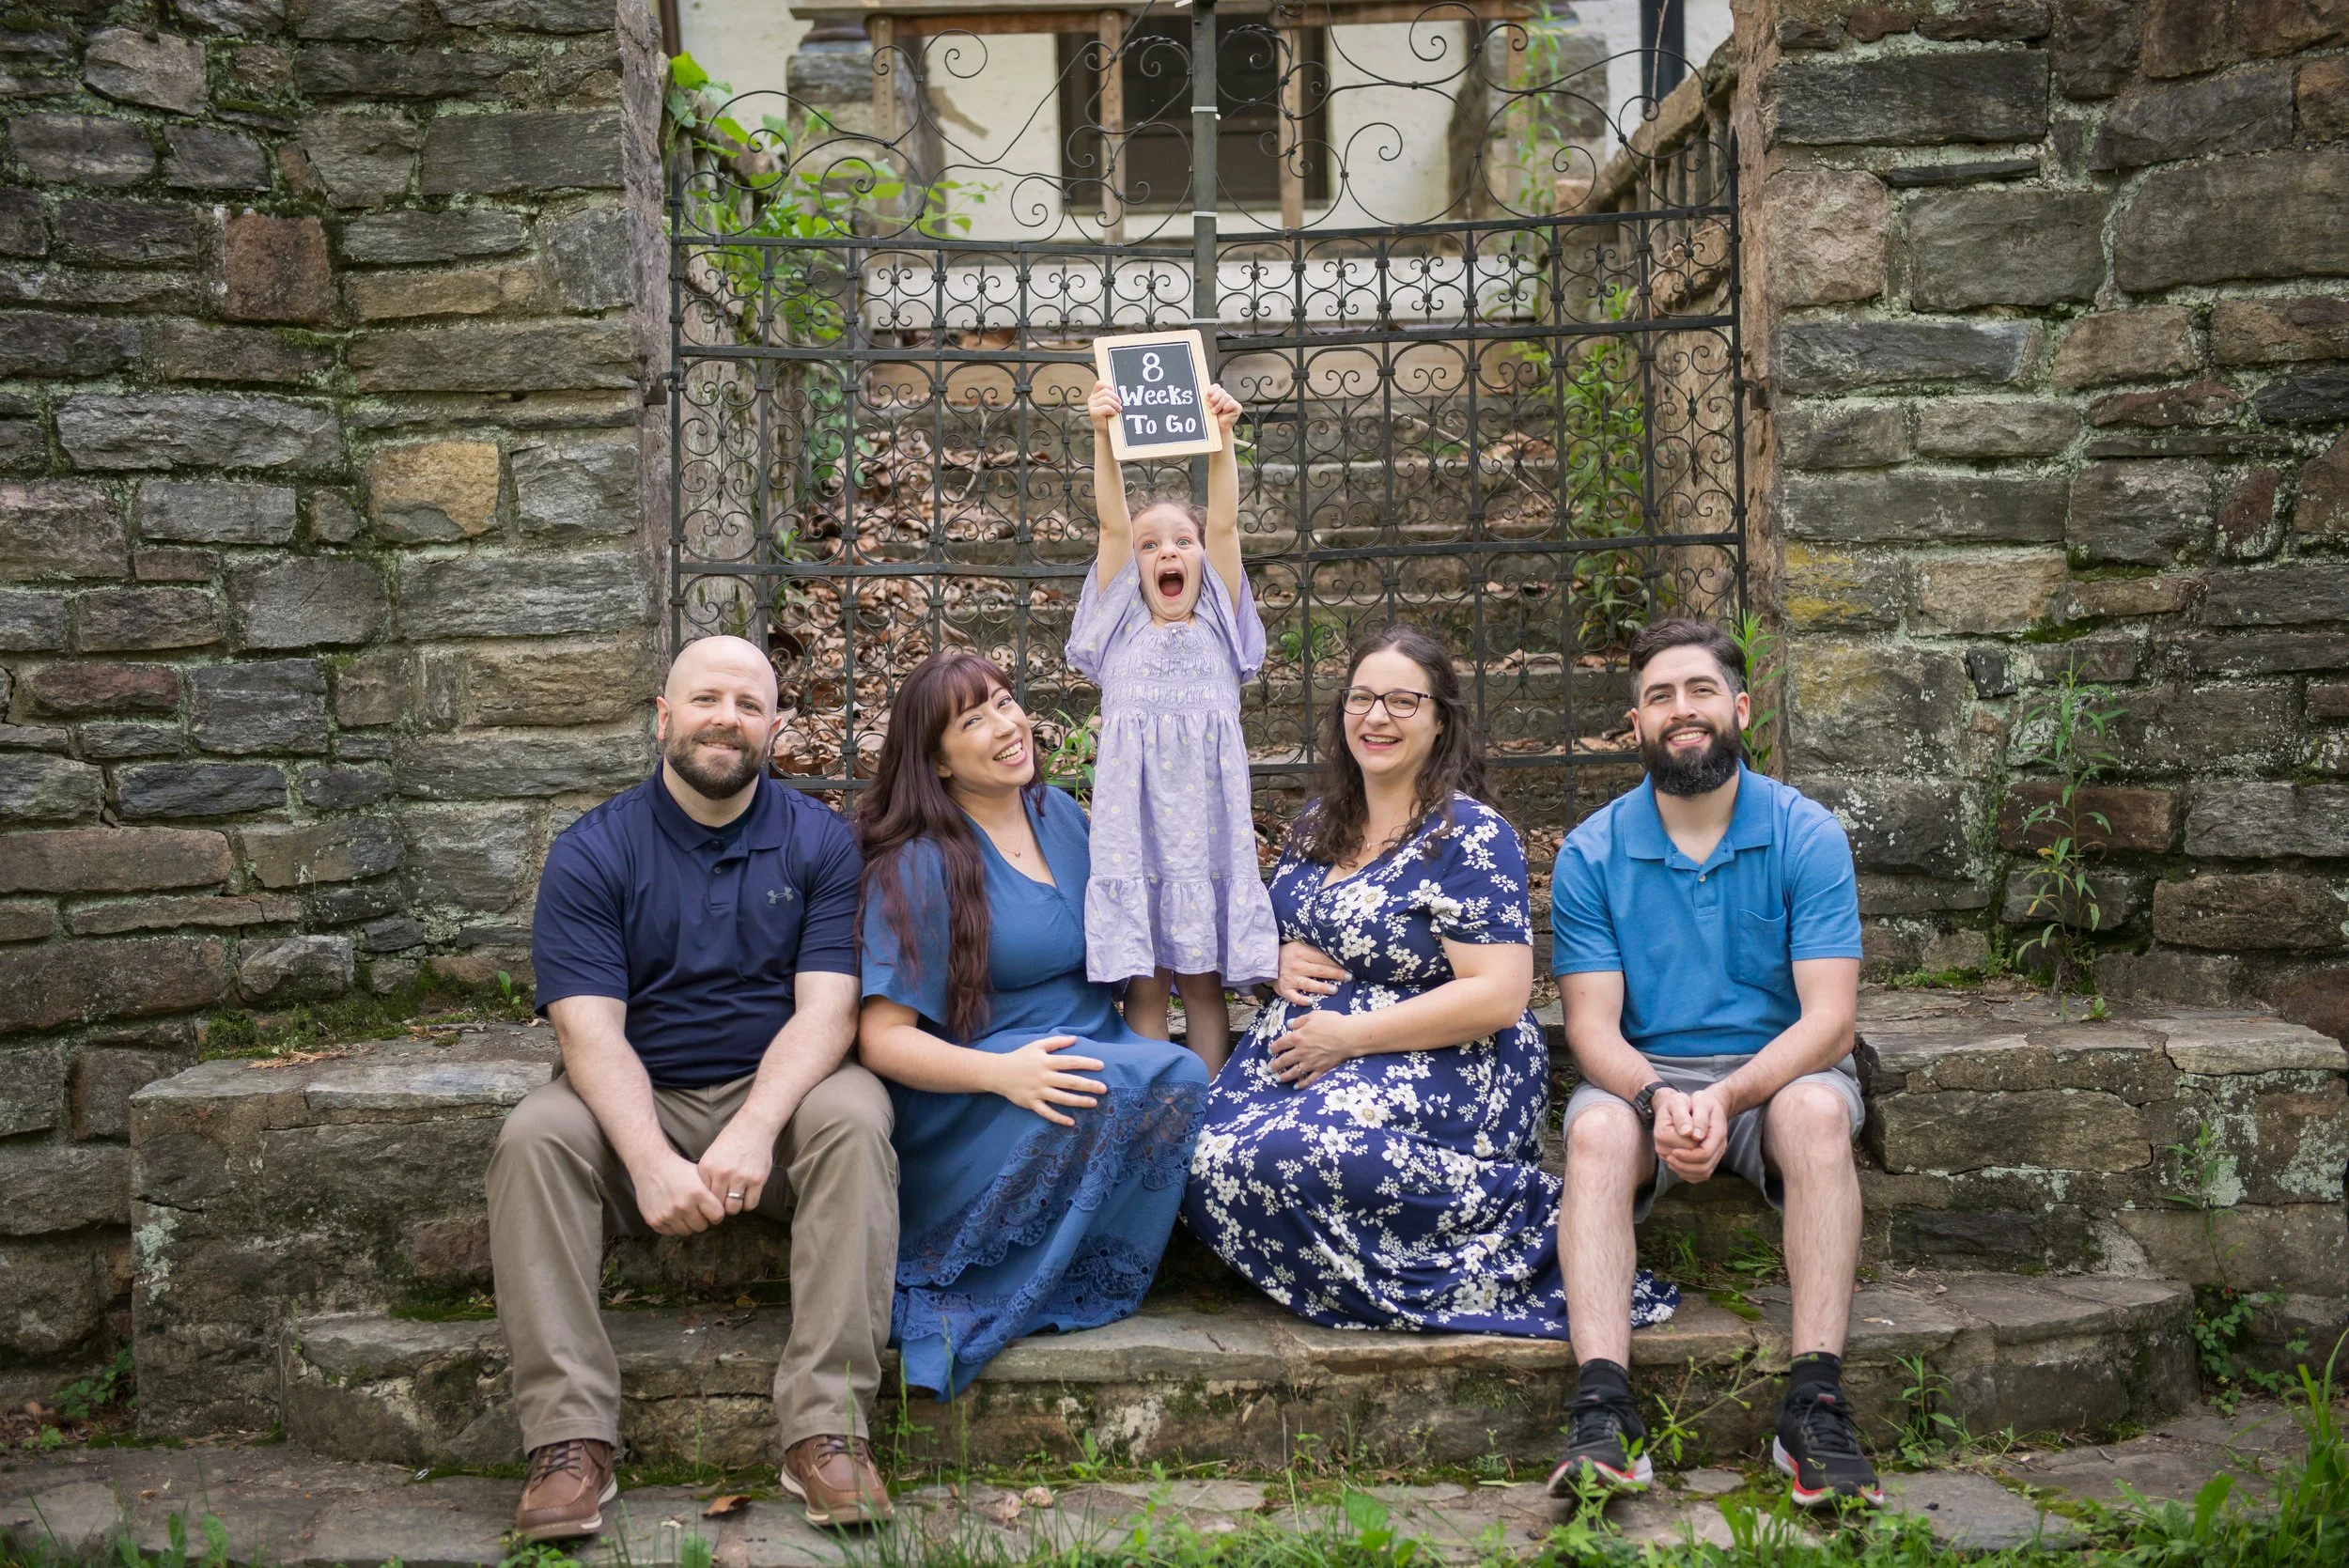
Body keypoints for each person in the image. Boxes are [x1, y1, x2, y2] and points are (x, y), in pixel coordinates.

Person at [490, 635, 897, 1540]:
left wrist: (754, 1128)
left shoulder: (820, 841)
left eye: (749, 704)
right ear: (664, 717)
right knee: (534, 1135)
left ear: (776, 727)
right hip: (638, 1094)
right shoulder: (594, 851)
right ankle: (568, 1443)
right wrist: (647, 1157)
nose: (728, 718)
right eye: (707, 699)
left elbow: (829, 1014)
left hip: (779, 1098)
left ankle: (827, 1430)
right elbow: (586, 1032)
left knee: (858, 1112)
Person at [1183, 625, 1678, 1339]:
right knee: (1199, 1158)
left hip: (1444, 1060)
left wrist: (1348, 1037)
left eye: (1402, 701)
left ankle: (1527, 1225)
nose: (1376, 716)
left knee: (1279, 1158)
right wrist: (1275, 959)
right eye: (1361, 698)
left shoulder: (1468, 837)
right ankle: (1396, 1278)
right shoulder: (1316, 824)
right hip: (1303, 1055)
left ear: (1441, 718)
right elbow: (1289, 931)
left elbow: (1500, 993)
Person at [1548, 616, 1875, 1508]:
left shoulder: (1806, 833)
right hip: (1642, 1076)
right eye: (1659, 696)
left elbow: (1831, 1022)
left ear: (1738, 705)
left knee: (1816, 1114)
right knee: (1597, 1138)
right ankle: (1603, 1408)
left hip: (1778, 1079)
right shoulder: (1591, 852)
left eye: (1698, 690)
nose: (1680, 710)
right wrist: (1659, 1095)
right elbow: (1592, 1030)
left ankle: (1814, 1406)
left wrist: (1726, 1096)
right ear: (1636, 721)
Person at [855, 652, 1210, 1399]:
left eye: (1006, 702)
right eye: (972, 720)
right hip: (981, 1090)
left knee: (1178, 1073)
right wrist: (1001, 1074)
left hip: (1089, 1056)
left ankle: (1080, 1274)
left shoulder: (1065, 817)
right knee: (1109, 1082)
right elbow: (881, 1038)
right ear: (938, 761)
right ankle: (979, 1280)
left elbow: (1130, 960)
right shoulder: (919, 864)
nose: (1005, 726)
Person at [1065, 375, 1280, 1071]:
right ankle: (1160, 1118)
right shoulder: (1121, 621)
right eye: (1151, 544)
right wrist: (1103, 434)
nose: (1167, 553)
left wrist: (1221, 440)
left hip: (1208, 825)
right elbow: (1108, 524)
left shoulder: (1219, 619)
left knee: (1203, 981)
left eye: (1180, 542)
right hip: (1136, 825)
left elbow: (1223, 524)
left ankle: (1211, 1115)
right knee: (1147, 982)